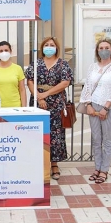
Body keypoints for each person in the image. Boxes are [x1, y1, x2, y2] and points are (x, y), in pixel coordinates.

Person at [24, 36, 73, 180]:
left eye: (52, 45)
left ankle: (54, 164)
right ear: (42, 47)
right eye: (46, 45)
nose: (49, 47)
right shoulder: (36, 63)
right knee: (37, 133)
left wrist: (46, 94)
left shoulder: (63, 64)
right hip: (38, 101)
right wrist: (40, 97)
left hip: (56, 102)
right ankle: (38, 163)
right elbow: (30, 81)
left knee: (55, 135)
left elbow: (65, 82)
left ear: (56, 47)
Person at [79, 38, 111, 183]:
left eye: (106, 47)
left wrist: (106, 107)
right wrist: (89, 105)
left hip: (109, 108)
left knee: (107, 140)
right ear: (97, 50)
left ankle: (104, 170)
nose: (103, 50)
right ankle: (97, 168)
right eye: (101, 48)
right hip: (94, 106)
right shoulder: (92, 67)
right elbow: (87, 87)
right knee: (96, 139)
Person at [0, 41, 26, 108]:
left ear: (10, 51)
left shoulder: (18, 68)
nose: (4, 53)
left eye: (6, 50)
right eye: (1, 51)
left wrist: (24, 108)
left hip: (15, 108)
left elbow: (22, 89)